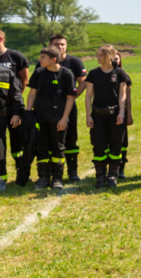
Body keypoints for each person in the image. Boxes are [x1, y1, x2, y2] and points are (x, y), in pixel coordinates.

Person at [35, 34, 87, 182]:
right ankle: (50, 172)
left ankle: (72, 171)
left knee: (70, 138)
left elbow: (83, 82)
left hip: (67, 107)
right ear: (50, 46)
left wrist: (73, 96)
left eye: (63, 44)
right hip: (47, 108)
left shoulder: (75, 62)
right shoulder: (43, 62)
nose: (60, 47)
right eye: (57, 44)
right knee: (50, 139)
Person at [26, 47, 77, 190]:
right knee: (41, 147)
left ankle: (57, 178)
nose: (39, 60)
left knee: (58, 147)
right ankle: (43, 178)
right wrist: (28, 114)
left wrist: (64, 118)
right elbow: (32, 94)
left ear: (53, 59)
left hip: (58, 117)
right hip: (40, 116)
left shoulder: (66, 75)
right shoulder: (38, 73)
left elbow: (70, 98)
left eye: (43, 57)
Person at [84, 45, 129, 188]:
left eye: (100, 55)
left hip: (115, 114)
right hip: (98, 115)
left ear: (109, 56)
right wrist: (88, 115)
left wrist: (122, 113)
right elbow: (88, 95)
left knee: (116, 145)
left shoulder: (120, 73)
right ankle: (100, 177)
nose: (97, 57)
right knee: (99, 146)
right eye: (97, 55)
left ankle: (112, 176)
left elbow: (123, 95)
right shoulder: (93, 73)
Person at [0, 30, 29, 186]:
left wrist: (17, 111)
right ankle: (1, 180)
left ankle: (22, 174)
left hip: (12, 111)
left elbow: (21, 86)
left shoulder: (8, 70)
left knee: (18, 143)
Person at [0, 65, 24, 191]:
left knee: (16, 145)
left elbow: (16, 94)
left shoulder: (6, 73)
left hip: (5, 115)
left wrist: (16, 113)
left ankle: (19, 175)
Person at [115, 52, 133, 179]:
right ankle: (108, 168)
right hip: (103, 111)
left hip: (120, 112)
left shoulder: (124, 75)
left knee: (122, 141)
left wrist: (129, 114)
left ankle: (120, 169)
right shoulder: (99, 74)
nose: (114, 60)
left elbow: (128, 98)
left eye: (116, 58)